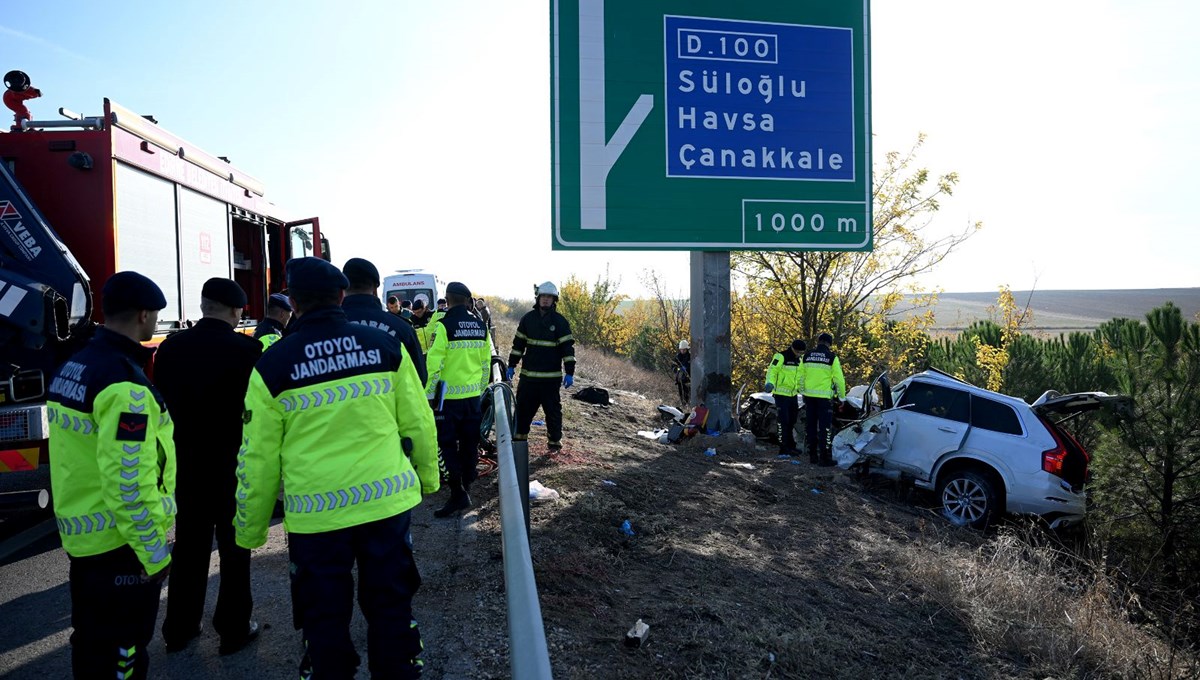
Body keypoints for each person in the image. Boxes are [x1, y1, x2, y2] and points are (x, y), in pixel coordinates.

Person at [234, 258, 438, 679]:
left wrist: (250, 529)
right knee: (391, 609)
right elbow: (418, 423)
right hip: (386, 508)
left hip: (316, 519)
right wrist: (428, 478)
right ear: (342, 296)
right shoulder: (385, 347)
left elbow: (257, 458)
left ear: (292, 302)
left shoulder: (272, 365)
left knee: (323, 620)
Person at [48, 271, 176, 680]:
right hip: (120, 546)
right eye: (155, 315)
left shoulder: (76, 364)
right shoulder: (125, 387)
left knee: (90, 645)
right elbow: (129, 487)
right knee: (124, 653)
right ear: (143, 315)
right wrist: (154, 555)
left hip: (85, 540)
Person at [154, 278, 262, 655]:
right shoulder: (248, 351)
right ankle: (233, 629)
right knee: (235, 548)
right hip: (234, 465)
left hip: (186, 465)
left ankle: (179, 628)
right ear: (236, 311)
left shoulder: (170, 349)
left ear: (203, 306)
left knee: (189, 547)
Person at [424, 281, 491, 517]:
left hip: (446, 397)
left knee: (446, 445)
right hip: (472, 396)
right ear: (467, 300)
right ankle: (467, 484)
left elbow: (434, 366)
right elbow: (486, 365)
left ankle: (457, 493)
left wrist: (429, 396)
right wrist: (479, 390)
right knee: (470, 442)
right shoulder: (480, 326)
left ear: (448, 299)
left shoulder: (444, 327)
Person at [507, 281, 575, 450]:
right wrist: (511, 365)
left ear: (554, 300)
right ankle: (518, 441)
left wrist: (570, 371)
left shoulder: (560, 322)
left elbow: (567, 348)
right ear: (538, 298)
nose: (545, 300)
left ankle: (554, 444)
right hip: (528, 378)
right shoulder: (528, 319)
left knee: (552, 413)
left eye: (549, 297)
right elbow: (518, 345)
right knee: (522, 411)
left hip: (550, 380)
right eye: (543, 296)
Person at [342, 258, 428, 387]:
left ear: (343, 287)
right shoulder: (402, 328)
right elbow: (420, 379)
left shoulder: (324, 330)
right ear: (376, 289)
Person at [801, 332, 846, 466]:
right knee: (825, 428)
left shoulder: (806, 356)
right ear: (829, 344)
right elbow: (839, 380)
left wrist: (802, 391)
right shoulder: (832, 357)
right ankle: (824, 458)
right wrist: (841, 397)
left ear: (818, 341)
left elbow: (800, 377)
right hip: (824, 399)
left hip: (809, 398)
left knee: (811, 427)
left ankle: (813, 456)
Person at [765, 339, 807, 457]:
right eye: (798, 352)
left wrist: (803, 391)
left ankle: (790, 446)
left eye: (801, 352)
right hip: (781, 394)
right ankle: (783, 449)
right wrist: (769, 383)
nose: (799, 354)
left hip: (793, 395)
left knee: (792, 421)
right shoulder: (781, 356)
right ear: (793, 348)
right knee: (783, 421)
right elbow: (772, 371)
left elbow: (801, 377)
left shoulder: (800, 360)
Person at [674, 339, 692, 405]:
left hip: (687, 379)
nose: (682, 351)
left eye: (684, 349)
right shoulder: (677, 357)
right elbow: (673, 366)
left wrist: (687, 368)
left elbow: (692, 367)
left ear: (687, 349)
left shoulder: (690, 357)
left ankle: (687, 404)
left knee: (687, 392)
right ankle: (683, 404)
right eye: (681, 349)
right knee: (681, 393)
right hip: (679, 379)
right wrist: (677, 369)